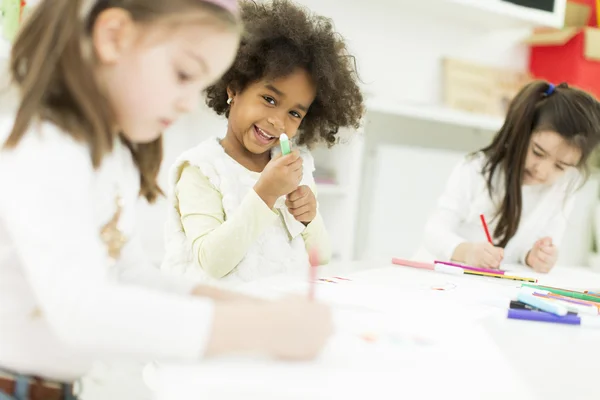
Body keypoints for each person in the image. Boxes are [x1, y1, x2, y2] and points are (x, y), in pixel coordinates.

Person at [0, 1, 332, 399]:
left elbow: (130, 275)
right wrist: (265, 330)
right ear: (113, 36)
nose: (189, 103)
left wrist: (256, 311)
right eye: (183, 74)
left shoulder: (106, 154)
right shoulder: (42, 146)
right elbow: (82, 311)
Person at [161, 0, 364, 284]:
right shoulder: (201, 169)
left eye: (294, 113)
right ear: (234, 88)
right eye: (269, 99)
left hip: (275, 312)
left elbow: (322, 257)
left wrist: (309, 218)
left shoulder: (297, 168)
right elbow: (211, 263)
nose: (278, 122)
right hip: (217, 316)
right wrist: (265, 194)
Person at [421, 81, 600, 272]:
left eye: (560, 166)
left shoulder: (563, 186)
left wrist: (534, 256)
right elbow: (433, 232)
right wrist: (467, 252)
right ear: (521, 134)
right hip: (441, 278)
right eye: (538, 153)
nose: (544, 171)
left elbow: (533, 246)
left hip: (493, 288)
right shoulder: (477, 169)